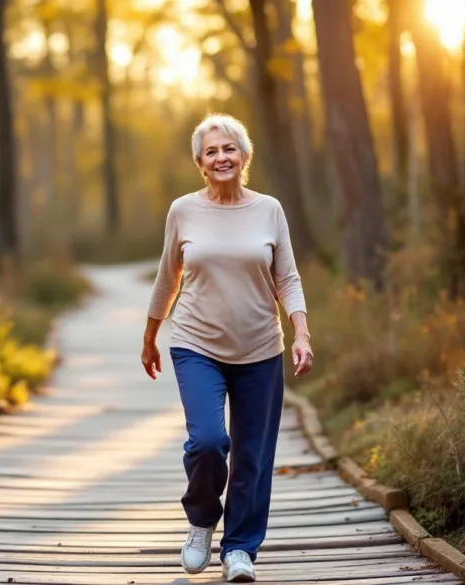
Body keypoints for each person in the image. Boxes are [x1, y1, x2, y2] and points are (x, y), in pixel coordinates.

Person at [141, 113, 313, 582]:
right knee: (209, 442)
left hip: (261, 349)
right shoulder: (183, 211)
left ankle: (240, 549)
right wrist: (150, 336)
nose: (222, 157)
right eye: (212, 151)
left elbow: (288, 278)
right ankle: (201, 519)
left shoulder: (269, 210)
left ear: (244, 155)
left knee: (253, 456)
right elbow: (167, 278)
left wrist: (301, 333)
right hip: (196, 344)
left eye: (229, 148)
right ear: (200, 163)